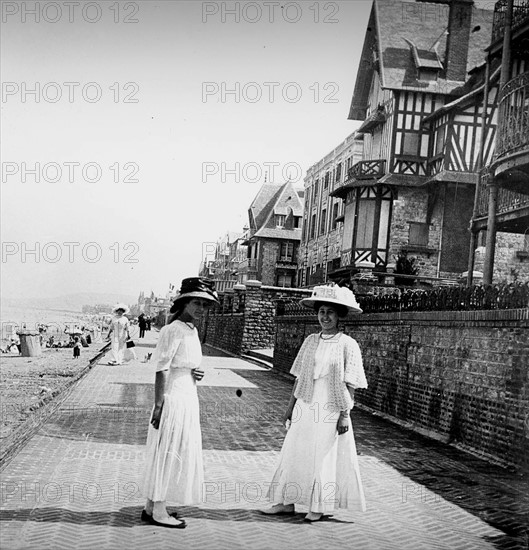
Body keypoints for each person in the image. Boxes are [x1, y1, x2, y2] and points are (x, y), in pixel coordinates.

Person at [261, 283, 368, 522]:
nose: (325, 317)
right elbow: (299, 379)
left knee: (323, 453)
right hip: (306, 403)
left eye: (330, 312)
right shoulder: (310, 341)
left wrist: (345, 415)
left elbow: (351, 384)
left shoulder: (348, 344)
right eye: (321, 311)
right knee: (294, 449)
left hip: (331, 407)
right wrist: (290, 410)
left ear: (339, 315)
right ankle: (285, 502)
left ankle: (319, 505)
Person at [142, 277, 218, 528]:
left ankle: (152, 506)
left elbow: (185, 363)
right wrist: (159, 405)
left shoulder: (192, 330)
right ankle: (159, 510)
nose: (200, 308)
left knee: (175, 449)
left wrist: (197, 372)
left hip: (188, 393)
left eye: (204, 304)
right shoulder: (172, 329)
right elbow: (162, 369)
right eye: (196, 302)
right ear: (184, 302)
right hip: (173, 396)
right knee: (167, 449)